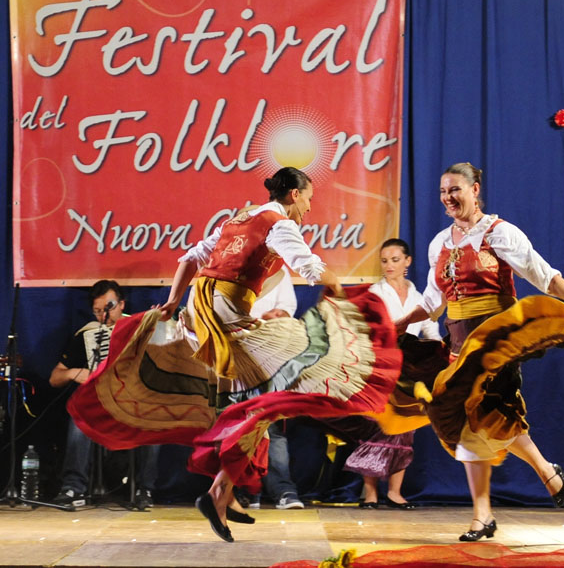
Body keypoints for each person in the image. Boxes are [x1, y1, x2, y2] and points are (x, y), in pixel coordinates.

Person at [68, 167, 402, 544]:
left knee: (256, 404)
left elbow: (189, 258)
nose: (309, 207)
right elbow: (309, 267)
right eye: (309, 198)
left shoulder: (239, 218)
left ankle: (222, 494)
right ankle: (219, 493)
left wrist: (174, 303)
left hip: (201, 309)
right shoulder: (279, 224)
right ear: (293, 194)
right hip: (226, 314)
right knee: (281, 389)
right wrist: (341, 294)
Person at [394, 163, 564, 542]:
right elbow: (433, 301)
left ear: (475, 189)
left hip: (498, 343)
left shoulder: (499, 232)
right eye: (443, 192)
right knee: (464, 422)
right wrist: (399, 324)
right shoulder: (439, 243)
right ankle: (489, 512)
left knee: (484, 412)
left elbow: (542, 273)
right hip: (461, 346)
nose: (448, 198)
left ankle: (540, 473)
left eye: (455, 190)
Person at [346, 239, 440, 509]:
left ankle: (395, 492)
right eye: (385, 260)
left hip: (409, 370)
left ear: (408, 261)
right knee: (376, 428)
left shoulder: (419, 297)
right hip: (378, 368)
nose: (389, 265)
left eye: (395, 260)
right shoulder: (374, 293)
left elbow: (431, 332)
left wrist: (437, 352)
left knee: (404, 429)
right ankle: (370, 493)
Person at [50, 280, 159, 510]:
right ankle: (73, 488)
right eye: (98, 311)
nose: (104, 316)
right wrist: (73, 372)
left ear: (121, 304)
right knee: (79, 415)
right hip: (100, 404)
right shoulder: (87, 334)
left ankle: (144, 489)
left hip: (134, 402)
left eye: (108, 309)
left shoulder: (140, 328)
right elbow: (54, 377)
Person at [248, 265, 304, 510]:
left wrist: (274, 317)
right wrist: (260, 319)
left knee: (274, 427)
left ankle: (283, 490)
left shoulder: (278, 272)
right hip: (238, 354)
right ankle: (247, 491)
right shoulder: (232, 268)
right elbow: (227, 313)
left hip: (272, 355)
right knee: (239, 426)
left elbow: (286, 310)